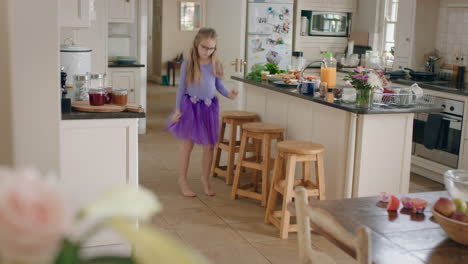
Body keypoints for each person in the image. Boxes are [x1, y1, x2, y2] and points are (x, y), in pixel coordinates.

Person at [166, 28, 238, 197]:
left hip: (209, 108)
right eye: (204, 47)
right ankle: (182, 180)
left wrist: (229, 94)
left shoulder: (216, 64)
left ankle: (205, 179)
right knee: (187, 145)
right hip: (190, 108)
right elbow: (181, 89)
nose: (207, 51)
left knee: (209, 146)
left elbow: (219, 86)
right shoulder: (188, 64)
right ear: (196, 45)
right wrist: (178, 109)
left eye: (211, 48)